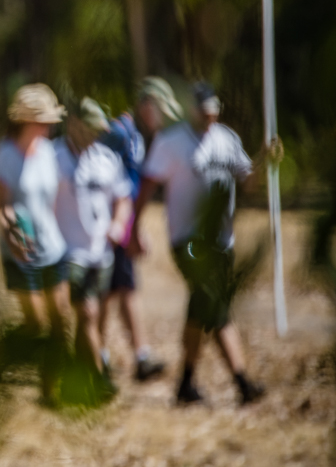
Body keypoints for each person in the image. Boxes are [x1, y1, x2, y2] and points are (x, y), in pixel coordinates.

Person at [131, 81, 266, 405]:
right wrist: (133, 228)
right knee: (211, 300)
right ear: (192, 110)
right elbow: (147, 186)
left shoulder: (227, 139)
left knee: (203, 306)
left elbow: (248, 182)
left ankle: (186, 384)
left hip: (222, 241)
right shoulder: (171, 142)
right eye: (204, 113)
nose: (209, 119)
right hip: (188, 241)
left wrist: (266, 160)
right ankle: (241, 380)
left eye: (213, 113)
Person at [0, 83, 70, 404]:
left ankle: (52, 390)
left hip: (53, 248)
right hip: (19, 253)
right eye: (44, 120)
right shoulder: (6, 154)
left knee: (61, 320)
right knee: (35, 324)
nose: (50, 126)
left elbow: (51, 201)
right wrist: (13, 235)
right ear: (26, 121)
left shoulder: (50, 153)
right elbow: (0, 205)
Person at [98, 77, 180, 381]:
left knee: (126, 287)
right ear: (146, 105)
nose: (161, 118)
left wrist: (134, 227)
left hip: (123, 225)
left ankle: (139, 356)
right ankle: (99, 356)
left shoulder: (138, 137)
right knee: (108, 292)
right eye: (159, 110)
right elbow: (105, 182)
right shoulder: (119, 133)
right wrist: (120, 226)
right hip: (108, 228)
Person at [54, 98, 132, 398]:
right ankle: (101, 381)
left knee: (95, 320)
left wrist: (118, 224)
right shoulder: (53, 156)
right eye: (90, 129)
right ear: (74, 124)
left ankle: (75, 377)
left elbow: (123, 198)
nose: (95, 135)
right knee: (86, 315)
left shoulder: (106, 158)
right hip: (68, 253)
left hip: (102, 253)